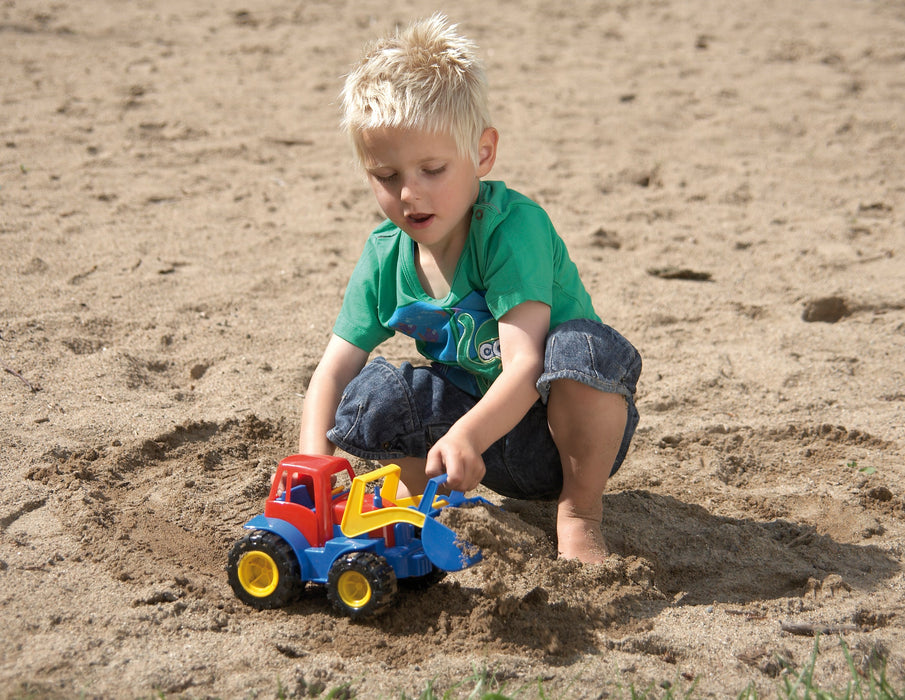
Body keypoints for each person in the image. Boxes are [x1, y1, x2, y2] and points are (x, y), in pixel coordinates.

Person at [298, 13, 641, 564]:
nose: (410, 194)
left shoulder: (511, 228)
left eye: (432, 168)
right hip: (462, 444)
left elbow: (526, 366)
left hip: (559, 438)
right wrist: (312, 463)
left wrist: (469, 435)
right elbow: (334, 369)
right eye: (386, 177)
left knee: (580, 347)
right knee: (372, 395)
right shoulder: (385, 255)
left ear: (481, 154)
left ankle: (579, 516)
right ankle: (417, 512)